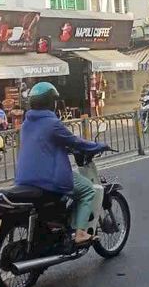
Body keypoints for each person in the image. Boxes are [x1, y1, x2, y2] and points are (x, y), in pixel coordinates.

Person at [15, 82, 108, 247]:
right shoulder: (52, 124)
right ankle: (80, 233)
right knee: (88, 190)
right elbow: (75, 142)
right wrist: (98, 146)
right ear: (51, 102)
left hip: (24, 179)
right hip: (48, 178)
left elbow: (43, 144)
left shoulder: (26, 125)